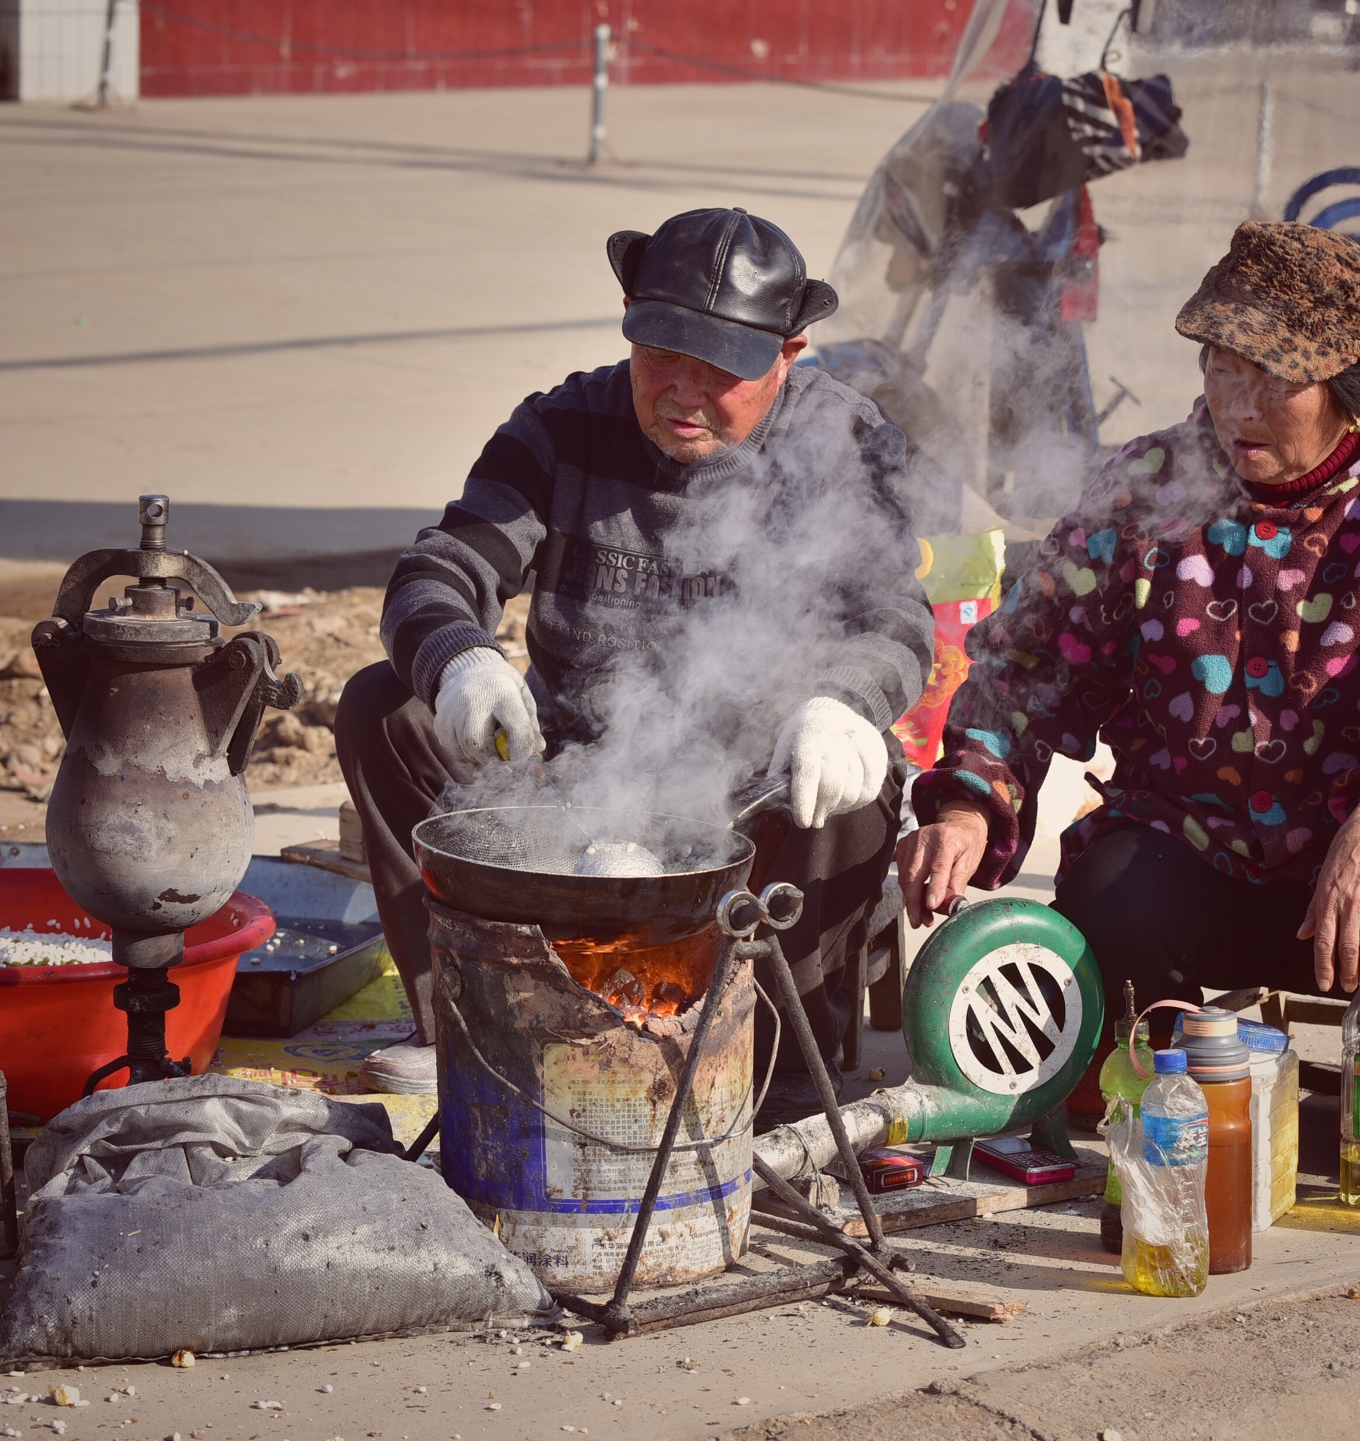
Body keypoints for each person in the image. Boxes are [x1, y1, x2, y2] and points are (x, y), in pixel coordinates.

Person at [339, 207, 932, 1107]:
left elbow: (895, 619)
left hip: (757, 801)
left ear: (790, 351)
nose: (683, 391)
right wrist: (464, 660)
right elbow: (439, 569)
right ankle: (470, 1022)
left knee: (863, 772)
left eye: (721, 368)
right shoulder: (562, 427)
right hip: (572, 791)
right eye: (660, 355)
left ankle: (778, 1071)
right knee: (385, 704)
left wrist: (844, 704)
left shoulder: (847, 446)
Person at [898, 221, 1360, 1005]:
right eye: (1221, 370)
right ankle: (1165, 1083)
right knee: (1110, 892)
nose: (1239, 407)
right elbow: (1031, 663)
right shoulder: (1148, 483)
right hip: (1198, 852)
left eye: (1273, 381)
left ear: (1358, 384)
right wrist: (972, 801)